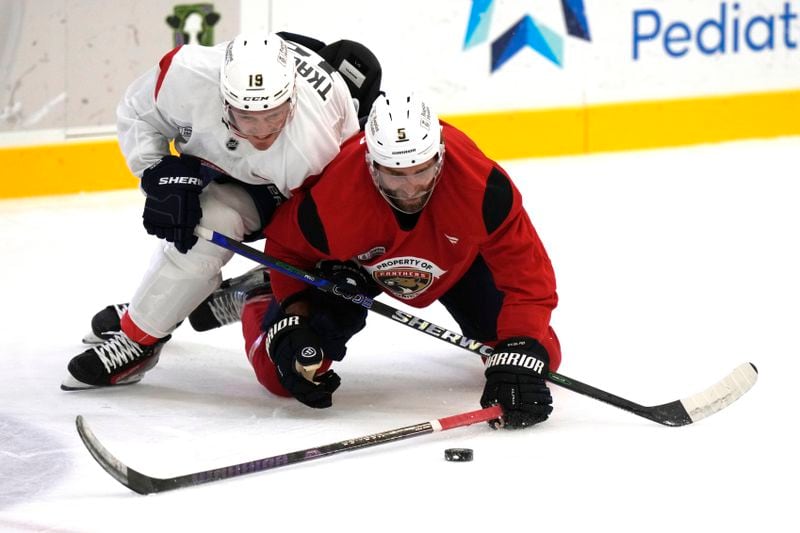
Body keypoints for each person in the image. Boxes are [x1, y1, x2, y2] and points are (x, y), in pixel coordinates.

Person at [61, 31, 382, 390]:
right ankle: (140, 338)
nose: (262, 132)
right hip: (219, 161)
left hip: (290, 187)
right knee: (200, 231)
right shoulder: (187, 74)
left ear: (293, 99)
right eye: (247, 116)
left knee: (216, 224)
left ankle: (250, 290)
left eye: (273, 115)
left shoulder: (313, 143)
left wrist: (316, 280)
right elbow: (138, 111)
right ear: (223, 96)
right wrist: (156, 171)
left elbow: (320, 229)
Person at [236, 89, 561, 429]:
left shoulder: (483, 188)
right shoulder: (335, 194)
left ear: (440, 154)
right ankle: (261, 296)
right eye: (395, 174)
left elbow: (528, 279)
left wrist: (520, 347)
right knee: (283, 372)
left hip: (459, 265)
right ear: (371, 163)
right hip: (357, 271)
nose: (410, 189)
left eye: (421, 171)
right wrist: (295, 308)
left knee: (542, 357)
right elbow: (286, 247)